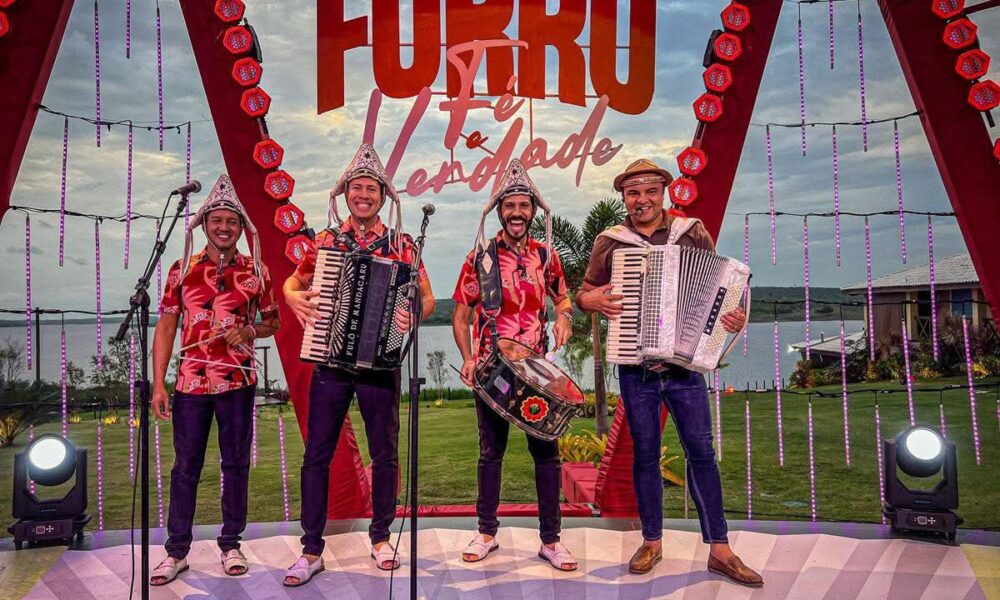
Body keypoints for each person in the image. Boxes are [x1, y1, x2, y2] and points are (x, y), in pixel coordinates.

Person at [575, 159, 763, 587]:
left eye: (649, 191)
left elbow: (721, 289)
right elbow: (584, 294)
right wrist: (592, 301)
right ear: (624, 197)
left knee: (701, 454)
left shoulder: (690, 232)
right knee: (645, 454)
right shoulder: (611, 241)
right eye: (633, 193)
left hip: (684, 370)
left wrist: (734, 317)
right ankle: (652, 541)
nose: (641, 200)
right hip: (635, 369)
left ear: (663, 192)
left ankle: (720, 550)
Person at [282, 143, 435, 587]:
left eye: (371, 189)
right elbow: (294, 281)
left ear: (382, 196)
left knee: (385, 454)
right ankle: (311, 549)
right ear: (345, 193)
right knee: (317, 455)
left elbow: (426, 298)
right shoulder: (326, 241)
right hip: (330, 363)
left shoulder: (402, 244)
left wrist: (411, 315)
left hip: (379, 364)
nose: (363, 195)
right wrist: (292, 297)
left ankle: (381, 537)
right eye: (357, 188)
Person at [149, 174, 280, 585]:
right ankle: (176, 551)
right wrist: (158, 384)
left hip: (237, 383)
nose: (224, 227)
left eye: (232, 222)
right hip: (190, 383)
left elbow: (273, 321)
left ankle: (231, 544)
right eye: (217, 220)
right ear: (204, 224)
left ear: (241, 228)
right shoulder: (181, 269)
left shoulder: (256, 269)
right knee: (185, 467)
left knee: (235, 464)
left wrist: (250, 330)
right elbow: (166, 327)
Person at [452, 160, 578, 571]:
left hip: (537, 373)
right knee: (491, 452)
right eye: (510, 206)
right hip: (493, 371)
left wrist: (564, 317)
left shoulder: (546, 255)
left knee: (547, 455)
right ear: (500, 211)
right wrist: (468, 358)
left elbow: (562, 298)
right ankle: (486, 533)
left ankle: (551, 541)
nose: (517, 213)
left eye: (524, 205)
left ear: (533, 212)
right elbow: (461, 316)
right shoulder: (481, 258)